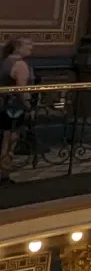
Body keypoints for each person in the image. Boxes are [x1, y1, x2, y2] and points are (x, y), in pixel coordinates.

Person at [0, 38, 33, 183]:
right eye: (28, 45)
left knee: (4, 137)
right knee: (10, 139)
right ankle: (3, 172)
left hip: (2, 105)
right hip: (14, 108)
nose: (31, 48)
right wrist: (28, 106)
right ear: (18, 48)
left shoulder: (4, 62)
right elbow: (22, 90)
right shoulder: (20, 65)